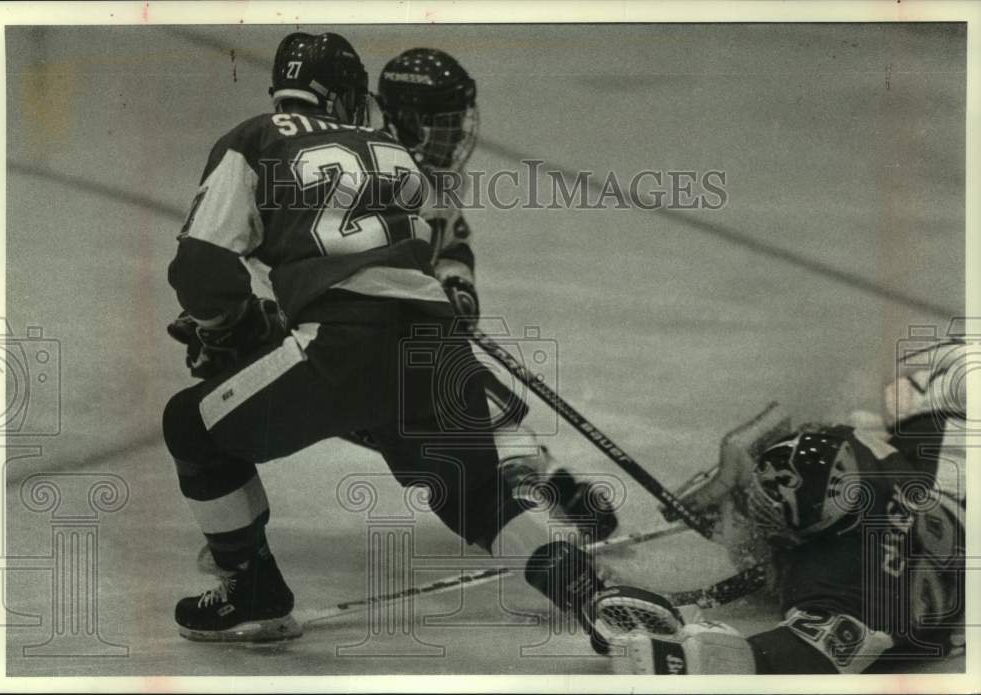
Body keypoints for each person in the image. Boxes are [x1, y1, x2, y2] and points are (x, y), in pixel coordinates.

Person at [162, 31, 657, 647]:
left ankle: (250, 586)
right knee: (477, 496)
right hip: (436, 346)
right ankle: (592, 594)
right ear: (348, 96)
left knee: (189, 426)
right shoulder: (386, 148)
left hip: (343, 347)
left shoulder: (255, 137)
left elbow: (202, 270)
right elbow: (414, 253)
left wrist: (230, 333)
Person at [374, 47, 618, 541]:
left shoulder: (434, 176)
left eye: (461, 119)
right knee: (455, 399)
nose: (461, 132)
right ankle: (526, 489)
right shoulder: (377, 177)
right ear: (410, 120)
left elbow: (453, 243)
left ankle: (532, 473)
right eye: (447, 121)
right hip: (353, 345)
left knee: (466, 390)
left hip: (404, 344)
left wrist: (457, 285)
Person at [611, 342, 966, 674]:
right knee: (930, 377)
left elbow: (774, 660)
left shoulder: (843, 581)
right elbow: (804, 434)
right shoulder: (853, 450)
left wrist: (682, 660)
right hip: (951, 499)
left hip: (949, 567)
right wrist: (743, 447)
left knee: (927, 377)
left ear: (791, 538)